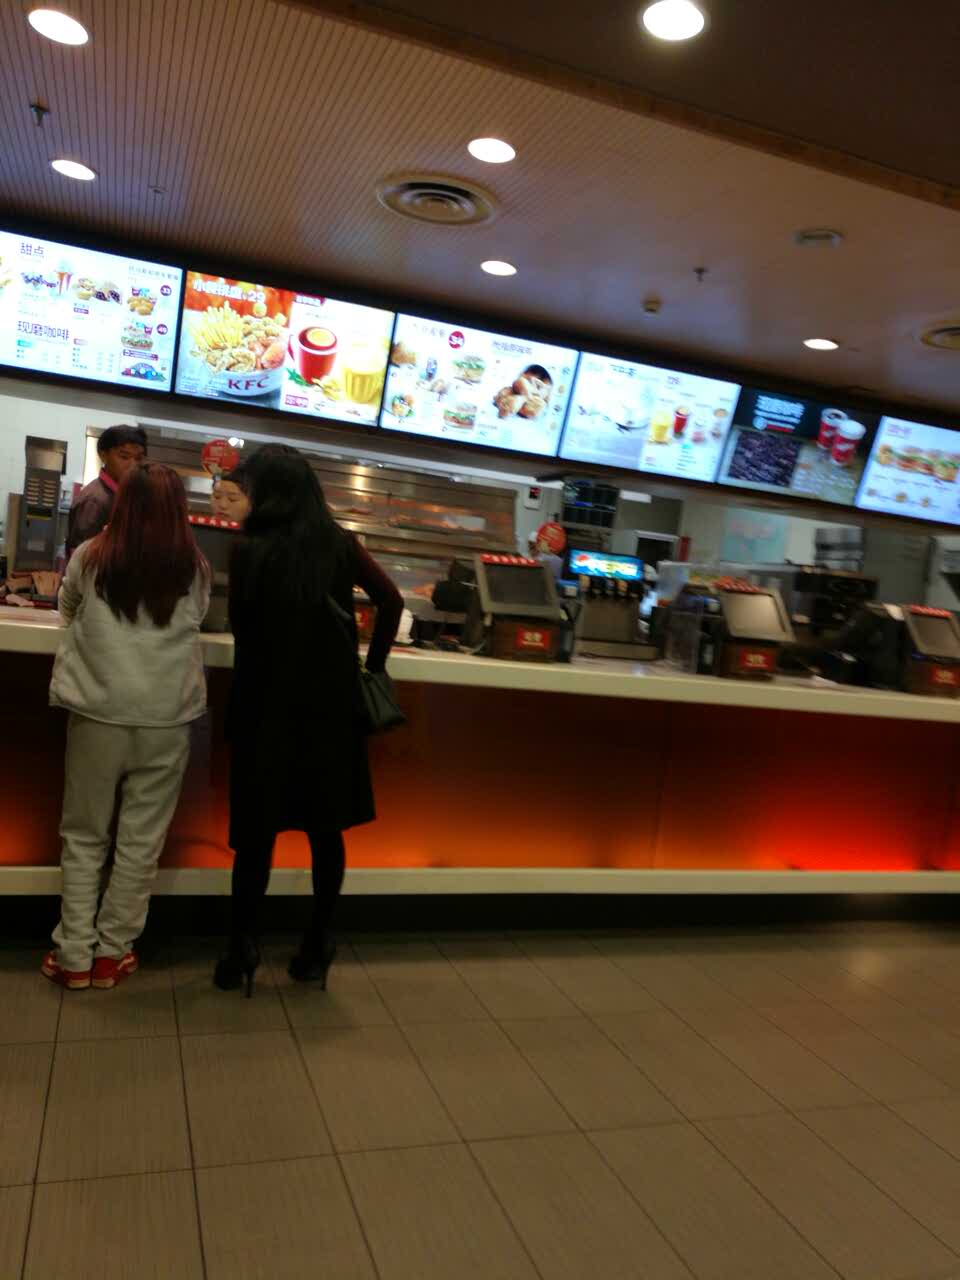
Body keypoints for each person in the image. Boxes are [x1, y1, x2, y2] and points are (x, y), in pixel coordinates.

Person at [214, 445, 402, 996]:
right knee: (326, 831)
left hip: (263, 708)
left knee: (256, 836)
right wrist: (372, 668)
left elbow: (242, 629)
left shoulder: (247, 549)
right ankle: (317, 946)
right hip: (330, 710)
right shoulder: (340, 544)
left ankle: (240, 950)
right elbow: (390, 602)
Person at [43, 463, 210, 990]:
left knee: (83, 836)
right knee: (141, 841)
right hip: (167, 718)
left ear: (124, 503)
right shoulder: (194, 566)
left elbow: (66, 609)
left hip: (97, 711)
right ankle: (112, 954)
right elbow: (199, 617)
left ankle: (73, 956)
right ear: (179, 509)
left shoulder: (92, 555)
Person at [65, 424, 148, 558]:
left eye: (138, 459)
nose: (133, 465)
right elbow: (82, 558)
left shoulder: (122, 494)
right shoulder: (95, 500)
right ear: (103, 455)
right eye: (124, 457)